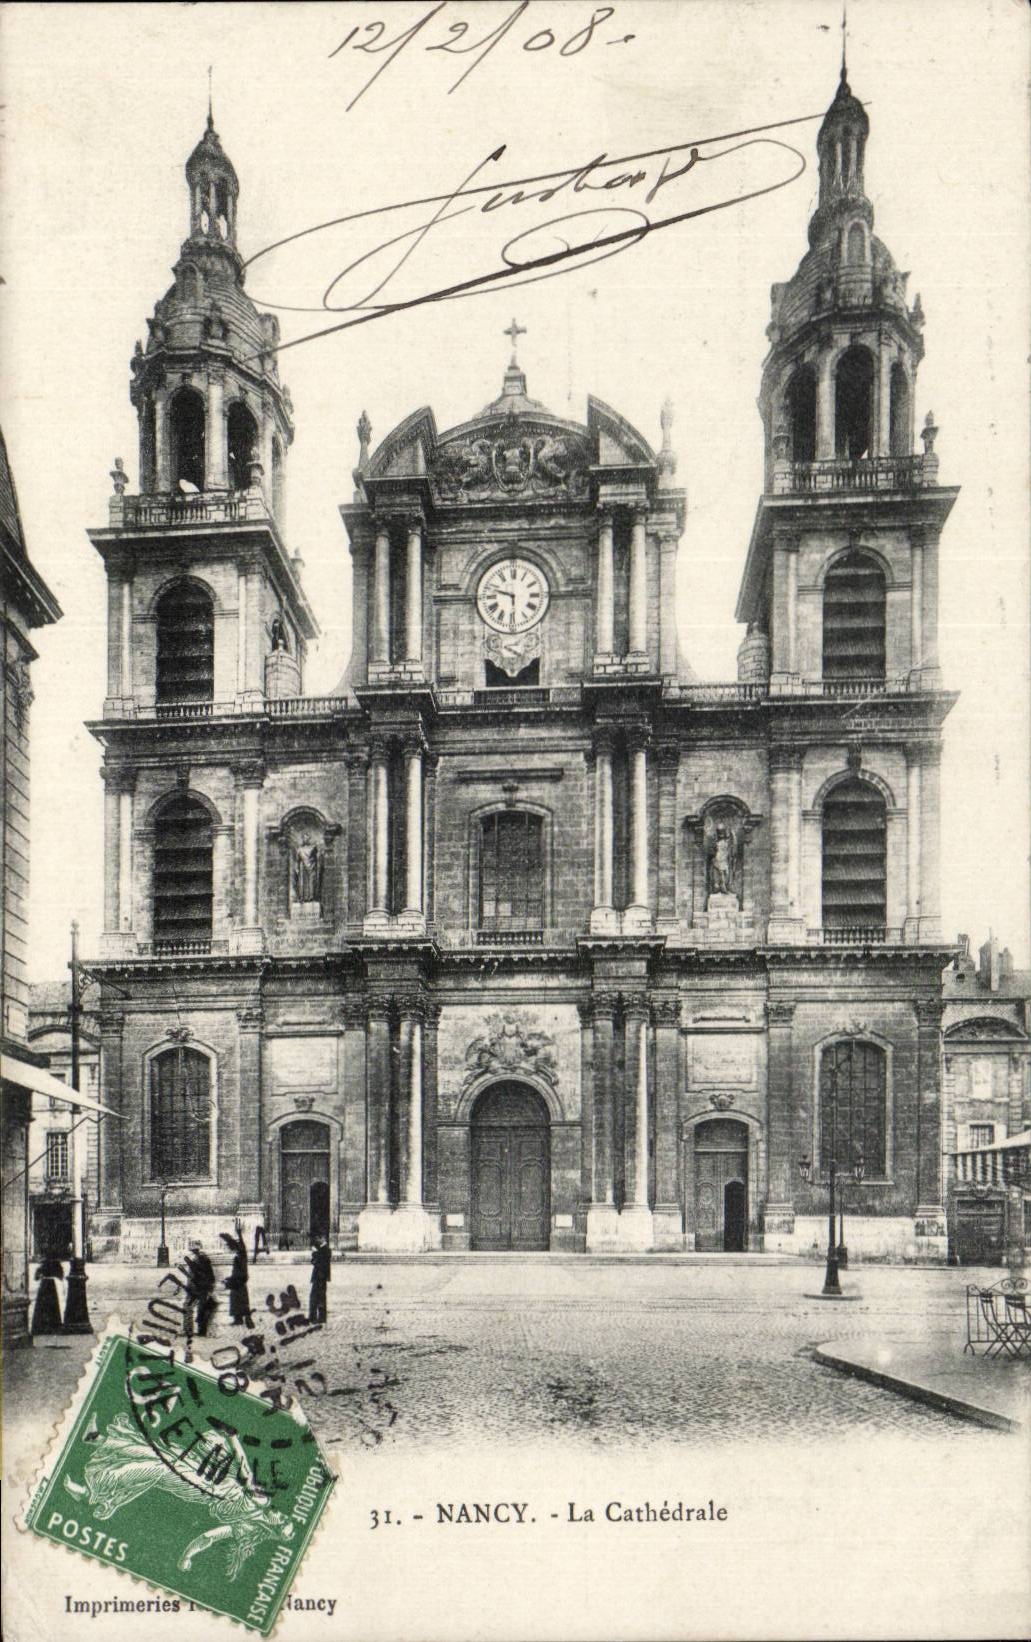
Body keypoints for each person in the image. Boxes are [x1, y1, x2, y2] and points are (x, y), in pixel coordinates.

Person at [221, 1231, 254, 1329]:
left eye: (229, 1246)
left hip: (239, 1281)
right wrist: (229, 1279)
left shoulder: (241, 1254)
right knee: (237, 1300)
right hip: (237, 1280)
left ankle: (242, 1319)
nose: (229, 1248)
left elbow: (242, 1247)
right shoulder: (239, 1254)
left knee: (239, 1300)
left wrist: (240, 1235)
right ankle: (238, 1319)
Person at [184, 1240, 217, 1338]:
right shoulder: (201, 1258)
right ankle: (199, 1330)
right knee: (200, 1308)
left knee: (189, 1306)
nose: (192, 1250)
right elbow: (210, 1275)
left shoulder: (200, 1259)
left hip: (198, 1287)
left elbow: (199, 1274)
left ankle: (189, 1330)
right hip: (199, 1287)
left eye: (193, 1248)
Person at [31, 1256, 64, 1336]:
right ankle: (53, 1326)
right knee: (53, 1306)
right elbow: (61, 1276)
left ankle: (41, 1327)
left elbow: (36, 1277)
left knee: (42, 1306)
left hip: (44, 1285)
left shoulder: (43, 1264)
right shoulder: (56, 1263)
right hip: (52, 1285)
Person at [308, 1237, 331, 1324]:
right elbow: (313, 1261)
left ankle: (315, 1317)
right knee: (320, 1297)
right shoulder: (323, 1249)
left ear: (324, 1240)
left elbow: (317, 1261)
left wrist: (315, 1252)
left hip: (320, 1277)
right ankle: (319, 1317)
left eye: (320, 1239)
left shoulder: (326, 1250)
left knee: (316, 1297)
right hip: (320, 1277)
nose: (319, 1240)